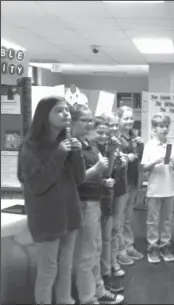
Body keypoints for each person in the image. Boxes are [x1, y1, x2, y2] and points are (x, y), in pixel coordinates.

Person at [17, 96, 85, 305]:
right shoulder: (30, 148)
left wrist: (78, 153)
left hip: (70, 214)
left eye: (66, 110)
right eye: (58, 110)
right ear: (44, 116)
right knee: (48, 270)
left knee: (66, 266)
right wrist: (58, 155)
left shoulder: (65, 144)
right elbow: (37, 184)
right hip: (47, 217)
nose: (65, 114)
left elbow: (79, 179)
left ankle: (65, 301)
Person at [71, 104, 124, 304]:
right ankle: (88, 298)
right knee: (86, 254)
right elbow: (73, 179)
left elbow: (106, 171)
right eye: (84, 120)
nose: (88, 123)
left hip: (96, 200)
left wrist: (111, 152)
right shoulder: (72, 146)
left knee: (95, 250)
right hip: (83, 202)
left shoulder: (89, 144)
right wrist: (95, 170)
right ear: (73, 122)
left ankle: (99, 291)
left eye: (90, 119)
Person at [141, 113, 174, 264]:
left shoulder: (172, 146)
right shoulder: (149, 146)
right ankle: (152, 247)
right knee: (153, 220)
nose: (164, 129)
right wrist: (155, 161)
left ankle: (165, 245)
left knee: (167, 220)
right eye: (161, 126)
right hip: (154, 190)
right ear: (154, 129)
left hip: (169, 189)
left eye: (166, 126)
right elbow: (145, 167)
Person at [115, 106, 144, 265]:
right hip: (122, 181)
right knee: (119, 217)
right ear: (118, 120)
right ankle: (120, 249)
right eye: (125, 118)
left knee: (128, 216)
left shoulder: (135, 136)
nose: (129, 121)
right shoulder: (114, 137)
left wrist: (141, 145)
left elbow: (140, 158)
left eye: (131, 118)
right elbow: (112, 157)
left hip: (133, 180)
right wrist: (126, 156)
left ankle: (128, 244)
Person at [102, 112, 128, 277]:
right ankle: (106, 266)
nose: (112, 128)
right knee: (107, 230)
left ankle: (113, 261)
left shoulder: (118, 144)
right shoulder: (101, 144)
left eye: (114, 125)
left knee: (116, 227)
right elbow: (105, 171)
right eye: (109, 125)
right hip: (105, 191)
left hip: (120, 188)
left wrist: (123, 160)